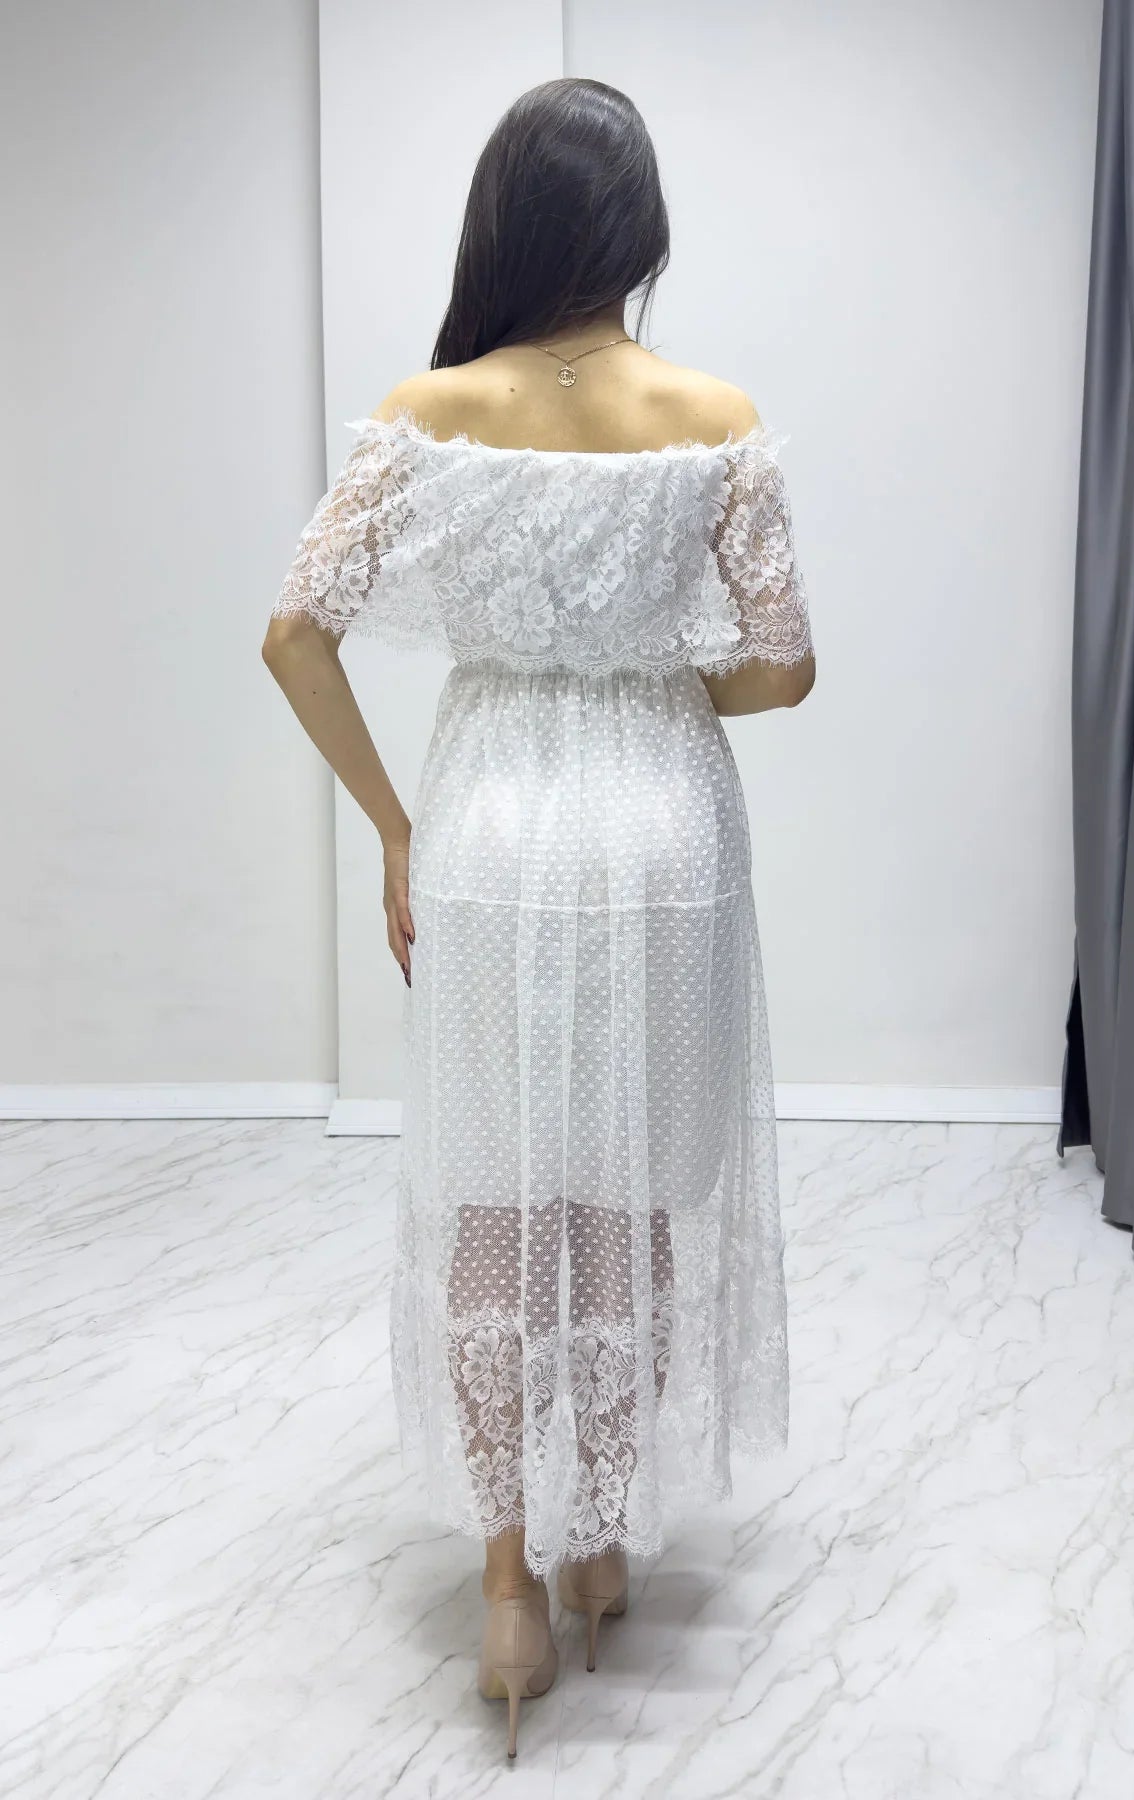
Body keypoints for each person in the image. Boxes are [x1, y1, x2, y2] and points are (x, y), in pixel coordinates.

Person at [262, 74, 815, 1761]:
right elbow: (784, 666)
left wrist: (394, 827)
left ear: (498, 223)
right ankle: (597, 1540)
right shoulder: (713, 415)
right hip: (656, 830)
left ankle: (505, 1583)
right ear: (639, 229)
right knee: (629, 1182)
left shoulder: (428, 413)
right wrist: (654, 686)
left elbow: (295, 635)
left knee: (499, 1194)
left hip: (492, 829)